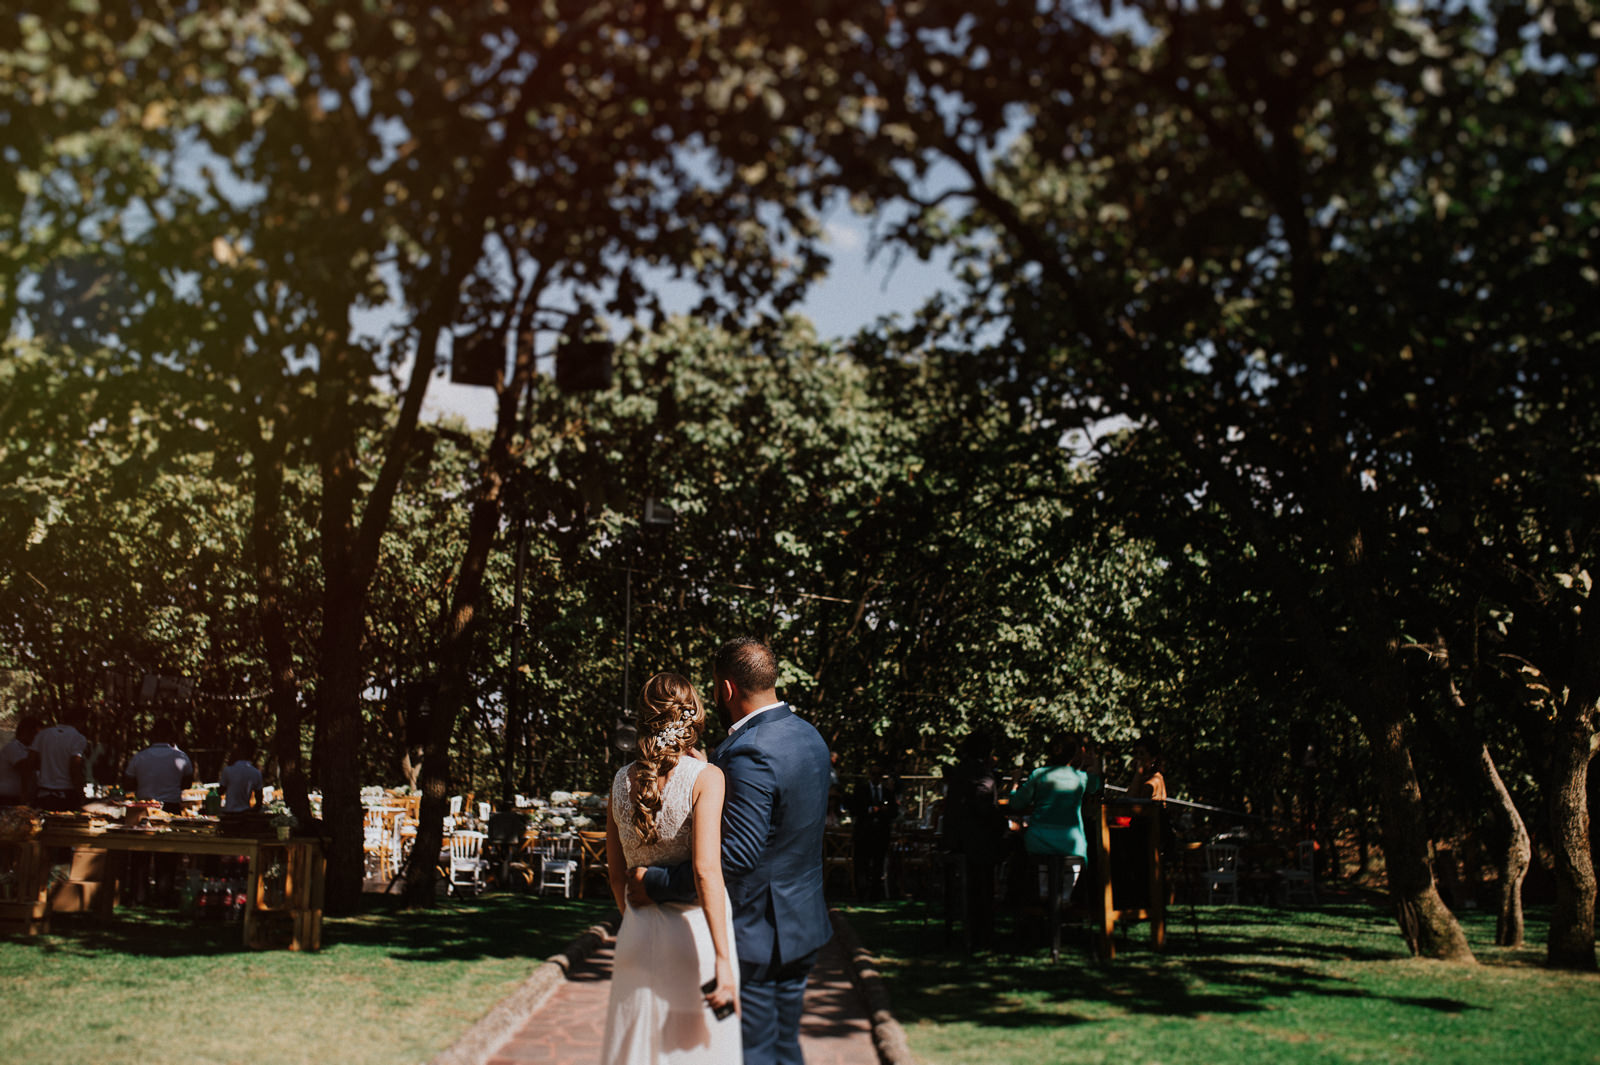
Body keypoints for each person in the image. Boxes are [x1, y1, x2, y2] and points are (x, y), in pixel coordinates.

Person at [629, 637, 833, 1065]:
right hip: (803, 924)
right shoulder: (809, 736)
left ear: (725, 690)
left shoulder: (748, 753)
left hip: (756, 934)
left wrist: (657, 884)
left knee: (751, 1052)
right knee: (784, 1046)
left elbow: (737, 857)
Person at [601, 672, 740, 1065]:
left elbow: (615, 876)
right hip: (692, 941)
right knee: (695, 1055)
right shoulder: (707, 779)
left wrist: (635, 923)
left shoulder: (618, 782)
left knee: (639, 1053)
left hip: (636, 936)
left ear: (645, 720)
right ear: (692, 716)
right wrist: (723, 960)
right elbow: (706, 872)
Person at [1007, 734, 1102, 904]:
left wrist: (1014, 782)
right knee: (1074, 861)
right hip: (1070, 843)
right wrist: (1093, 761)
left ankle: (1044, 894)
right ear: (1073, 755)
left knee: (1036, 861)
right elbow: (1096, 784)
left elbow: (1016, 803)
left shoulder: (1039, 775)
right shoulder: (1080, 778)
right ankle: (1065, 896)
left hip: (1038, 841)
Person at [940, 731, 1007, 948]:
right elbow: (984, 809)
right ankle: (983, 932)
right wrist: (1004, 824)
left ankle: (967, 927)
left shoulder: (958, 772)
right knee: (988, 877)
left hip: (954, 840)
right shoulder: (982, 775)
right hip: (976, 843)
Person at [849, 763, 900, 900]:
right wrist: (871, 810)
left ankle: (875, 894)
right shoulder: (861, 790)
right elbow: (854, 809)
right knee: (862, 864)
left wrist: (885, 811)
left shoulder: (887, 792)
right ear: (869, 775)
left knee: (878, 864)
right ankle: (861, 893)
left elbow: (895, 812)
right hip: (864, 833)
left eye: (879, 774)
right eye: (874, 774)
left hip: (881, 834)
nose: (876, 777)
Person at [122, 718, 195, 813]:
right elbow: (187, 784)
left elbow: (128, 784)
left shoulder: (140, 757)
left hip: (144, 808)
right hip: (171, 808)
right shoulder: (181, 756)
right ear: (171, 735)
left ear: (152, 735)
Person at [31, 707, 90, 811]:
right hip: (66, 794)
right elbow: (74, 767)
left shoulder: (44, 734)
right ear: (81, 721)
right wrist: (81, 795)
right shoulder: (78, 738)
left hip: (43, 793)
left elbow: (30, 761)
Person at [0, 715, 42, 805]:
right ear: (26, 732)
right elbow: (25, 767)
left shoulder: (30, 749)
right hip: (8, 797)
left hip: (23, 797)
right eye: (36, 734)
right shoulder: (13, 747)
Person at [219, 737, 265, 813]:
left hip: (230, 813)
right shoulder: (256, 773)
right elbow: (259, 800)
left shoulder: (228, 770)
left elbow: (220, 791)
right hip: (245, 813)